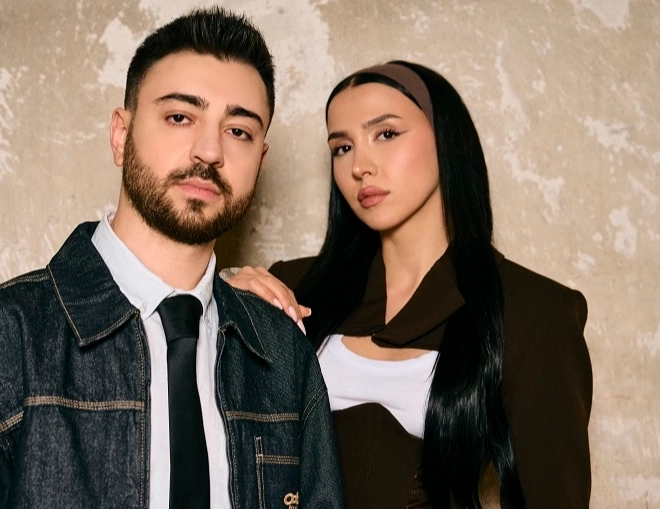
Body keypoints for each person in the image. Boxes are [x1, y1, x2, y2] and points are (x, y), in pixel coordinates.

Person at [0, 8, 343, 509]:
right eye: (180, 117)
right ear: (120, 136)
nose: (209, 150)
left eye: (238, 130)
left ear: (259, 158)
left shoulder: (284, 358)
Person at [227, 61, 592, 508]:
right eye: (342, 147)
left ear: (446, 140)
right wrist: (221, 300)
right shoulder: (292, 285)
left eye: (386, 134)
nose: (360, 166)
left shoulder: (535, 312)